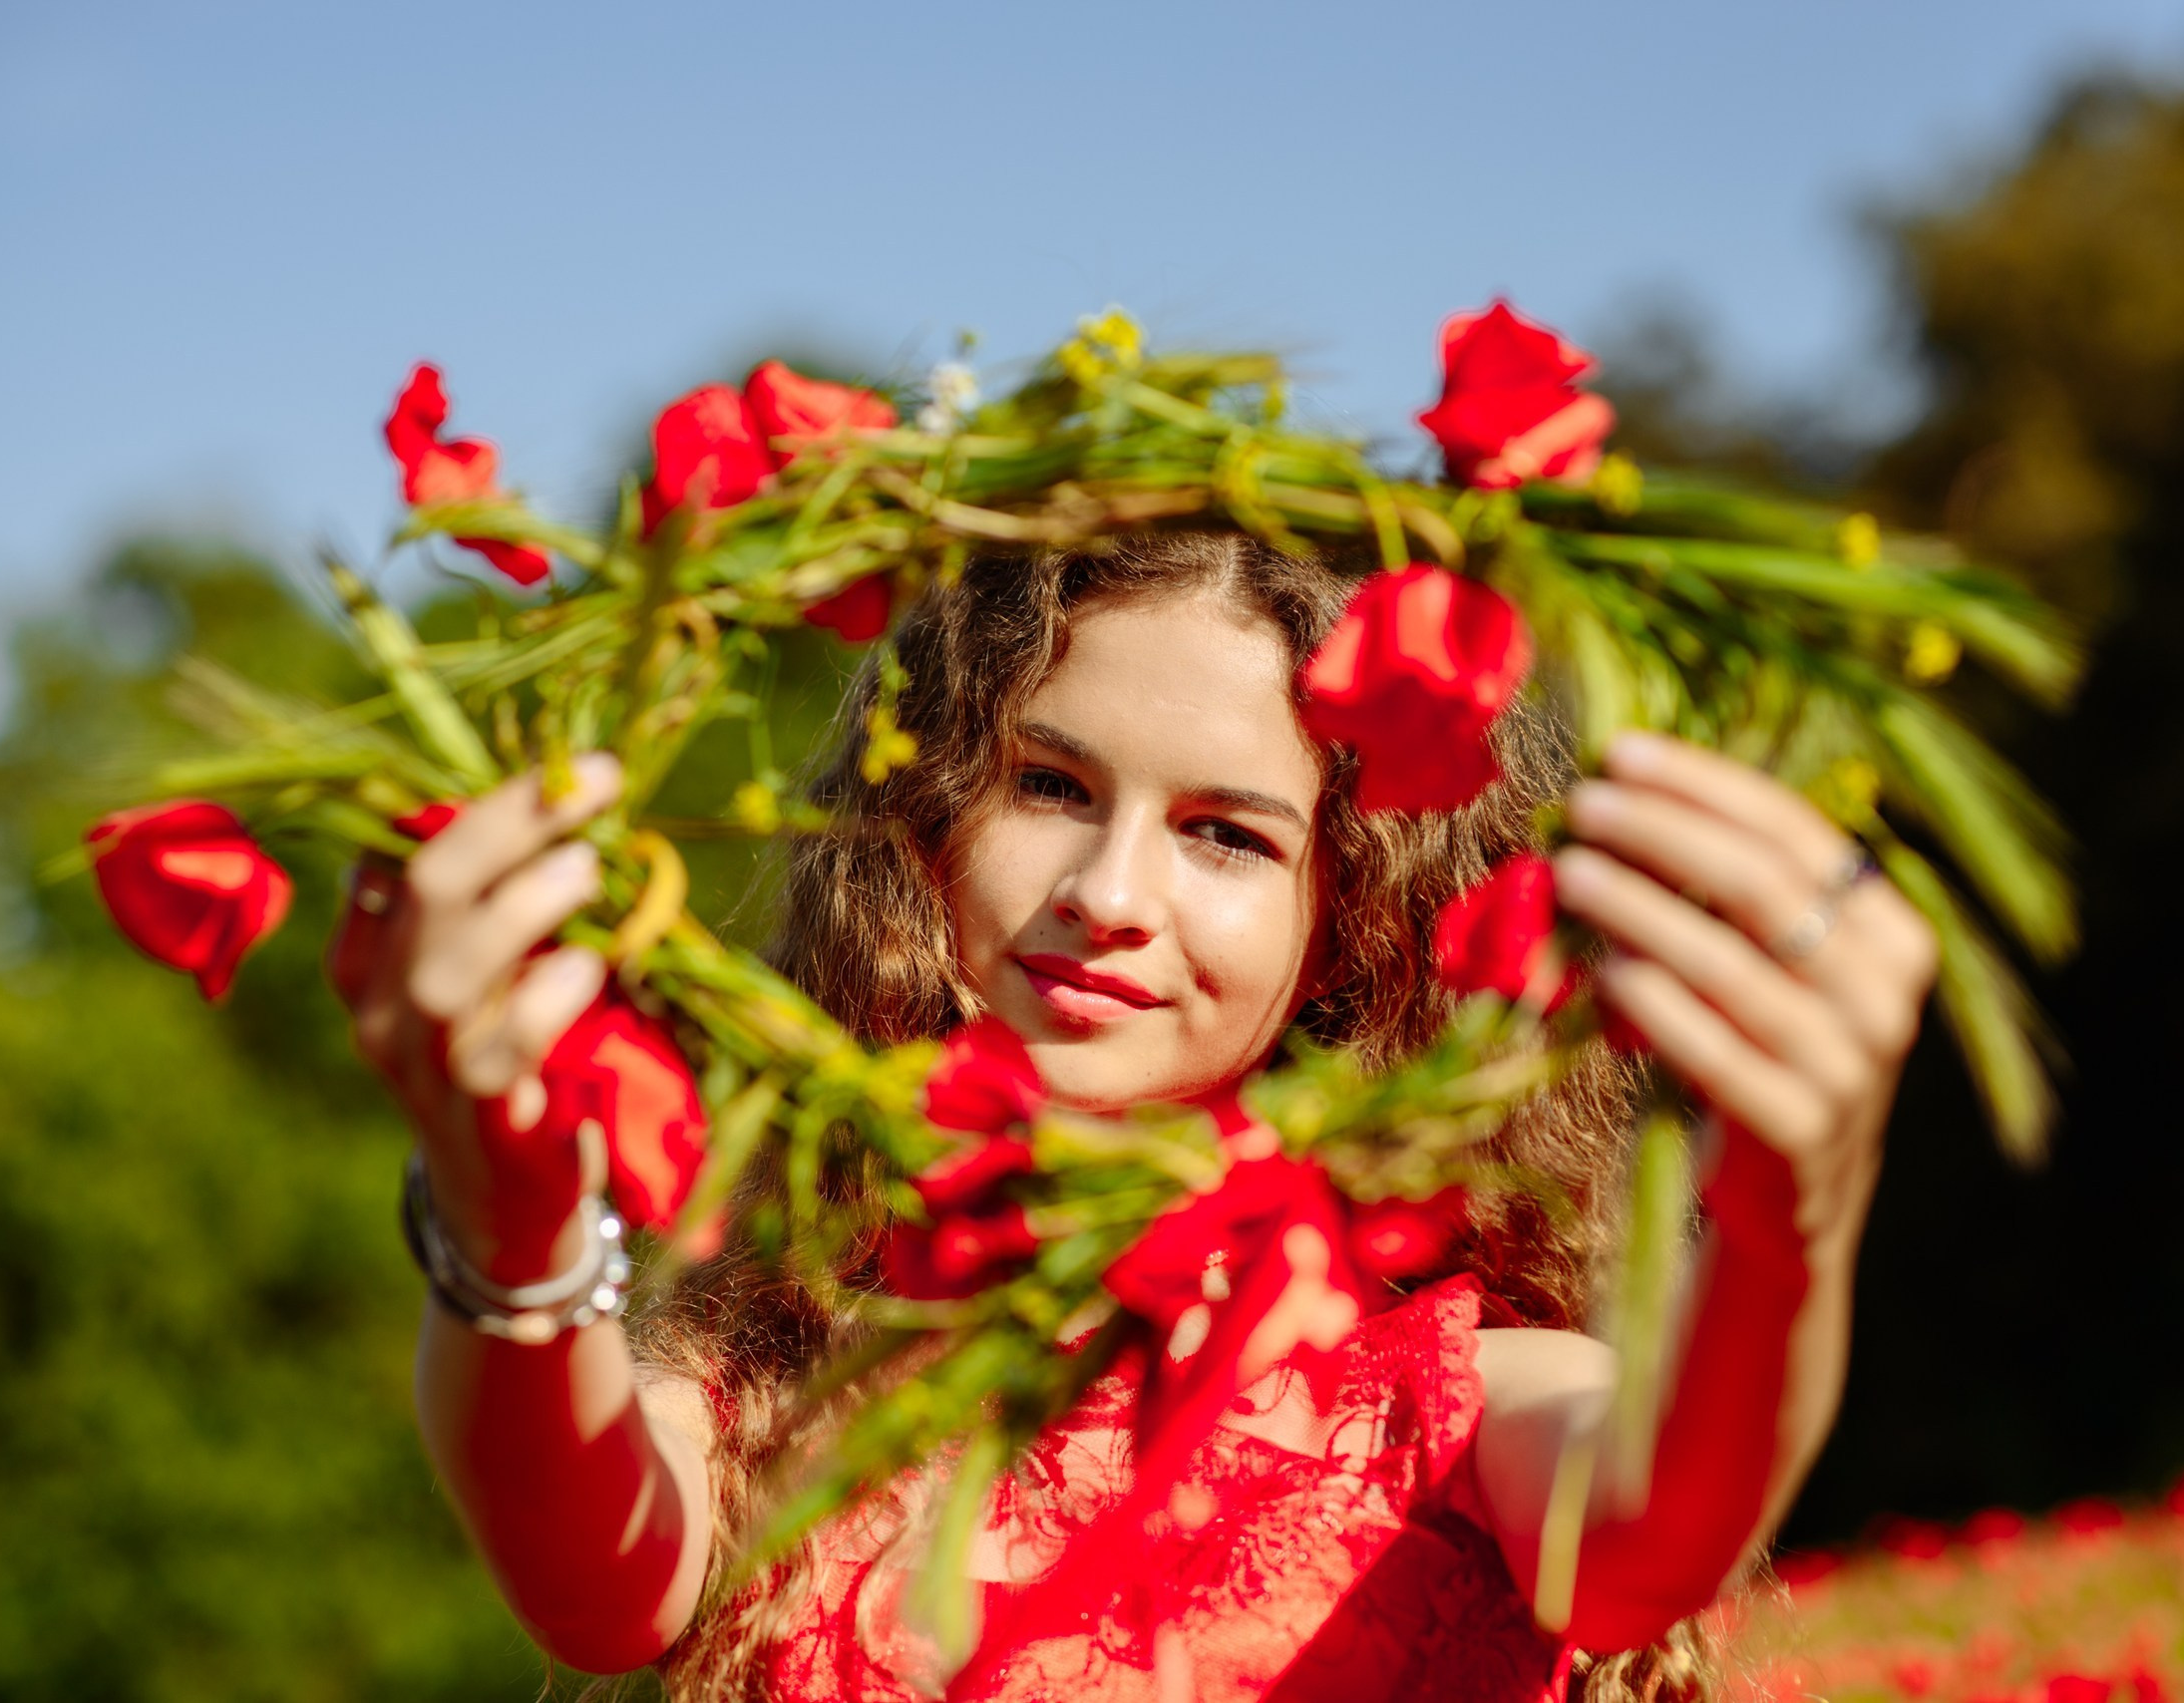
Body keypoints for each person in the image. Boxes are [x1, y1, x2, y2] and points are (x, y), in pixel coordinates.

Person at [331, 532, 1938, 1701]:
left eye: (1228, 836)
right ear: (926, 815)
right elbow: (587, 1580)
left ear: (1350, 918)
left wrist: (1796, 1211)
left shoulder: (1454, 1410)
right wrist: (508, 1220)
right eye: (1049, 786)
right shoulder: (758, 1405)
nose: (1111, 895)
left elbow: (1667, 1515)